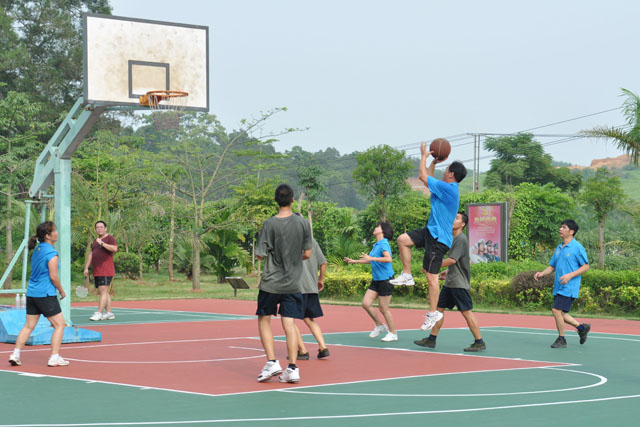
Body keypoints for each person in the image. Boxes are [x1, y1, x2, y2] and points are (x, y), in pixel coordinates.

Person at [390, 140, 467, 331]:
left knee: (432, 278)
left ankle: (433, 313)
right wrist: (433, 161)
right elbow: (428, 179)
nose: (444, 170)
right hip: (431, 232)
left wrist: (424, 156)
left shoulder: (449, 189)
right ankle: (407, 274)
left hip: (439, 239)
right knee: (402, 240)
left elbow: (422, 177)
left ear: (451, 174)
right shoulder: (444, 188)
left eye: (446, 168)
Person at [255, 184, 312, 383]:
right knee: (290, 324)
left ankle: (272, 362)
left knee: (264, 319)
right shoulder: (302, 223)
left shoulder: (269, 224)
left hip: (271, 282)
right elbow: (307, 253)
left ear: (275, 200)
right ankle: (293, 368)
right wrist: (293, 260)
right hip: (293, 282)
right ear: (293, 199)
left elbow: (260, 255)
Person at [414, 213, 486, 351]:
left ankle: (479, 342)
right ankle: (431, 340)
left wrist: (432, 265)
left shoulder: (460, 239)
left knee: (466, 312)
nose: (453, 220)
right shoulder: (452, 238)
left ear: (463, 224)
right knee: (438, 310)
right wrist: (447, 272)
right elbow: (458, 261)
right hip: (450, 282)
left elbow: (452, 260)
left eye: (457, 218)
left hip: (458, 283)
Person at [8, 221, 69, 367]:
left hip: (32, 293)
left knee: (29, 326)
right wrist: (61, 290)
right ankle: (54, 357)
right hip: (45, 294)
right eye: (54, 231)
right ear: (48, 236)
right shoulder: (52, 254)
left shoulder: (37, 250)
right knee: (60, 324)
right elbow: (53, 276)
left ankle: (15, 354)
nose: (57, 233)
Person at [534, 219, 591, 348]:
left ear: (571, 232)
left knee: (556, 310)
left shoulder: (577, 247)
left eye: (564, 227)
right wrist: (542, 273)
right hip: (558, 286)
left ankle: (562, 339)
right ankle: (582, 328)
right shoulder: (559, 248)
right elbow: (552, 266)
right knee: (561, 313)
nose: (560, 229)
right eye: (561, 227)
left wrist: (570, 275)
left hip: (569, 286)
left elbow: (585, 266)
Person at [344, 222, 398, 342]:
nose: (375, 228)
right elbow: (371, 260)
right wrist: (354, 261)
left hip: (386, 280)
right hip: (377, 280)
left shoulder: (384, 243)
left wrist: (371, 258)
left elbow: (388, 259)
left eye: (377, 227)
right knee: (366, 303)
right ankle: (379, 325)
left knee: (383, 308)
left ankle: (393, 334)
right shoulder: (377, 245)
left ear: (382, 231)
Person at [292, 236, 330, 360]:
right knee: (309, 319)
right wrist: (320, 280)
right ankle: (323, 347)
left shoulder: (290, 240)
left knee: (289, 319)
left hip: (296, 287)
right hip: (311, 288)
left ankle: (302, 350)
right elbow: (323, 263)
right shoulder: (312, 241)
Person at [84, 221, 118, 321]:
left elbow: (114, 249)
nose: (99, 229)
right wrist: (86, 267)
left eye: (101, 227)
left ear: (105, 228)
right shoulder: (95, 241)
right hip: (97, 270)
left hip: (106, 270)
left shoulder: (109, 238)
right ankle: (109, 313)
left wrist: (102, 243)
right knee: (104, 292)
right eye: (97, 227)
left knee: (103, 291)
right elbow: (91, 254)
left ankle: (99, 313)